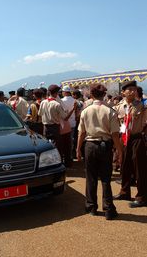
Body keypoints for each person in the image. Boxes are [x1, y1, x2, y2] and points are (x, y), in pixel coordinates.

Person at [76, 84, 122, 220]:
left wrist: (78, 149)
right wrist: (119, 151)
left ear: (91, 95)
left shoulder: (86, 111)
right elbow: (114, 134)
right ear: (104, 95)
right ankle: (108, 209)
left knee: (91, 177)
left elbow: (81, 133)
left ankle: (91, 207)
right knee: (106, 178)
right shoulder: (110, 111)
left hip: (89, 145)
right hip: (105, 145)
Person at [113, 81, 147, 207]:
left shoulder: (142, 105)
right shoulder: (119, 107)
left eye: (134, 89)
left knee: (140, 167)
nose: (133, 91)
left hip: (137, 138)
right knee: (124, 165)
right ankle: (124, 191)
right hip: (124, 138)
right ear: (123, 92)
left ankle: (142, 196)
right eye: (130, 89)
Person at [38, 84, 75, 154]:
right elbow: (65, 118)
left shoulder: (43, 102)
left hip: (45, 128)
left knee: (47, 146)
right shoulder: (57, 104)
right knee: (57, 147)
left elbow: (39, 114)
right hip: (55, 128)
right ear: (56, 93)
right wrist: (73, 109)